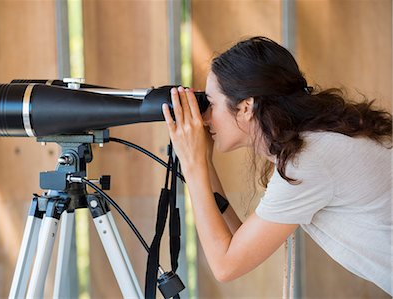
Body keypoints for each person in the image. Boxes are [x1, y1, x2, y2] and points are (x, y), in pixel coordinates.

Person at [161, 36, 392, 295]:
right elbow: (241, 243)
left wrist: (193, 165)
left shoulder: (307, 162)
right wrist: (202, 160)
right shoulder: (316, 143)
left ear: (246, 107)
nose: (204, 118)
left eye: (211, 104)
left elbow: (225, 266)